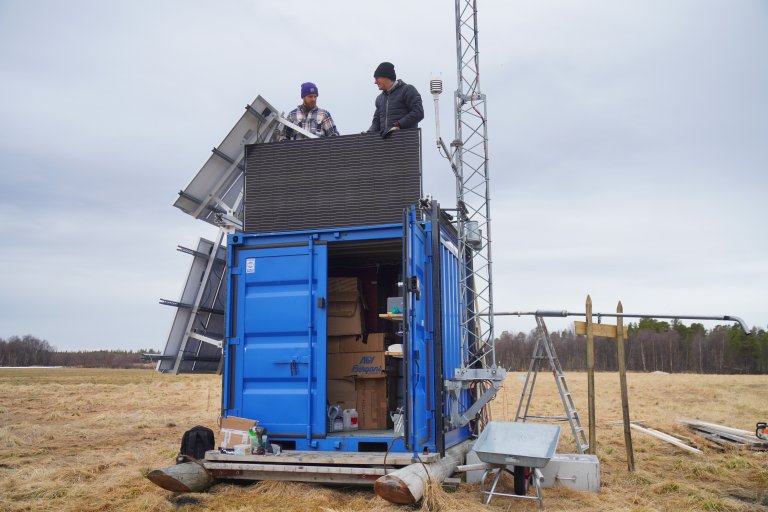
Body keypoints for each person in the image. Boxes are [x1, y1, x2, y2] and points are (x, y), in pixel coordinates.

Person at [368, 62, 424, 136]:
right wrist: (369, 133)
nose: (375, 82)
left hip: (406, 142)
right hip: (385, 144)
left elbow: (418, 113)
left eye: (377, 78)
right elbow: (376, 121)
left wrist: (398, 125)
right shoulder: (379, 99)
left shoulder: (407, 90)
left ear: (386, 76)